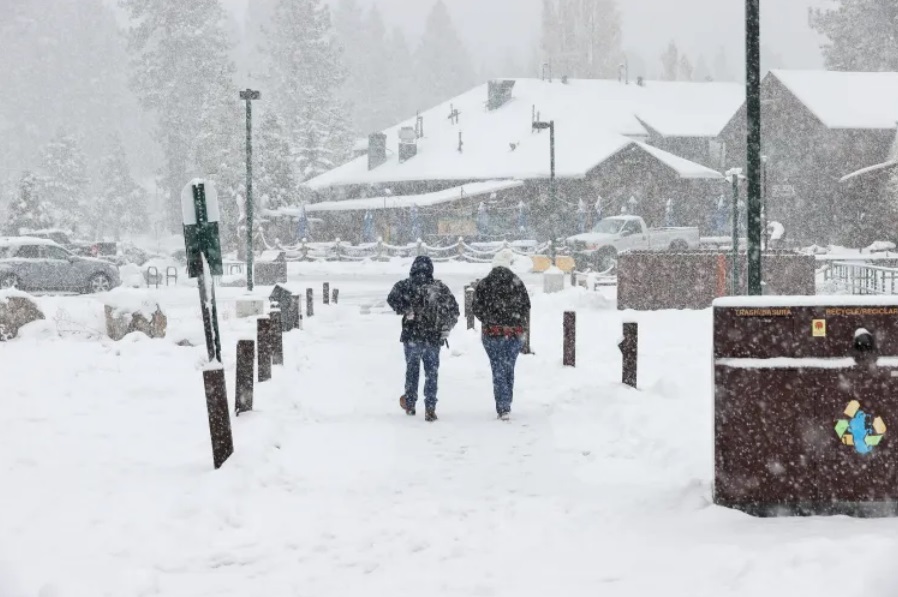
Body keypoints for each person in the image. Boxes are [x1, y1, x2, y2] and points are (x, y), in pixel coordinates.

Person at [387, 256, 459, 422]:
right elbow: (454, 310)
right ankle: (430, 407)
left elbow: (391, 299)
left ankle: (410, 403)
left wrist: (406, 310)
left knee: (412, 370)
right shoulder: (439, 288)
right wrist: (446, 328)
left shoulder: (405, 285)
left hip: (411, 335)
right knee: (431, 373)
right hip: (433, 337)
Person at [472, 249, 531, 421]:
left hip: (492, 333)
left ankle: (503, 405)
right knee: (508, 367)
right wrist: (515, 320)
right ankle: (507, 401)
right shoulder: (517, 282)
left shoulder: (484, 283)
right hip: (514, 334)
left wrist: (489, 320)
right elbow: (526, 306)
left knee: (497, 367)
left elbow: (476, 307)